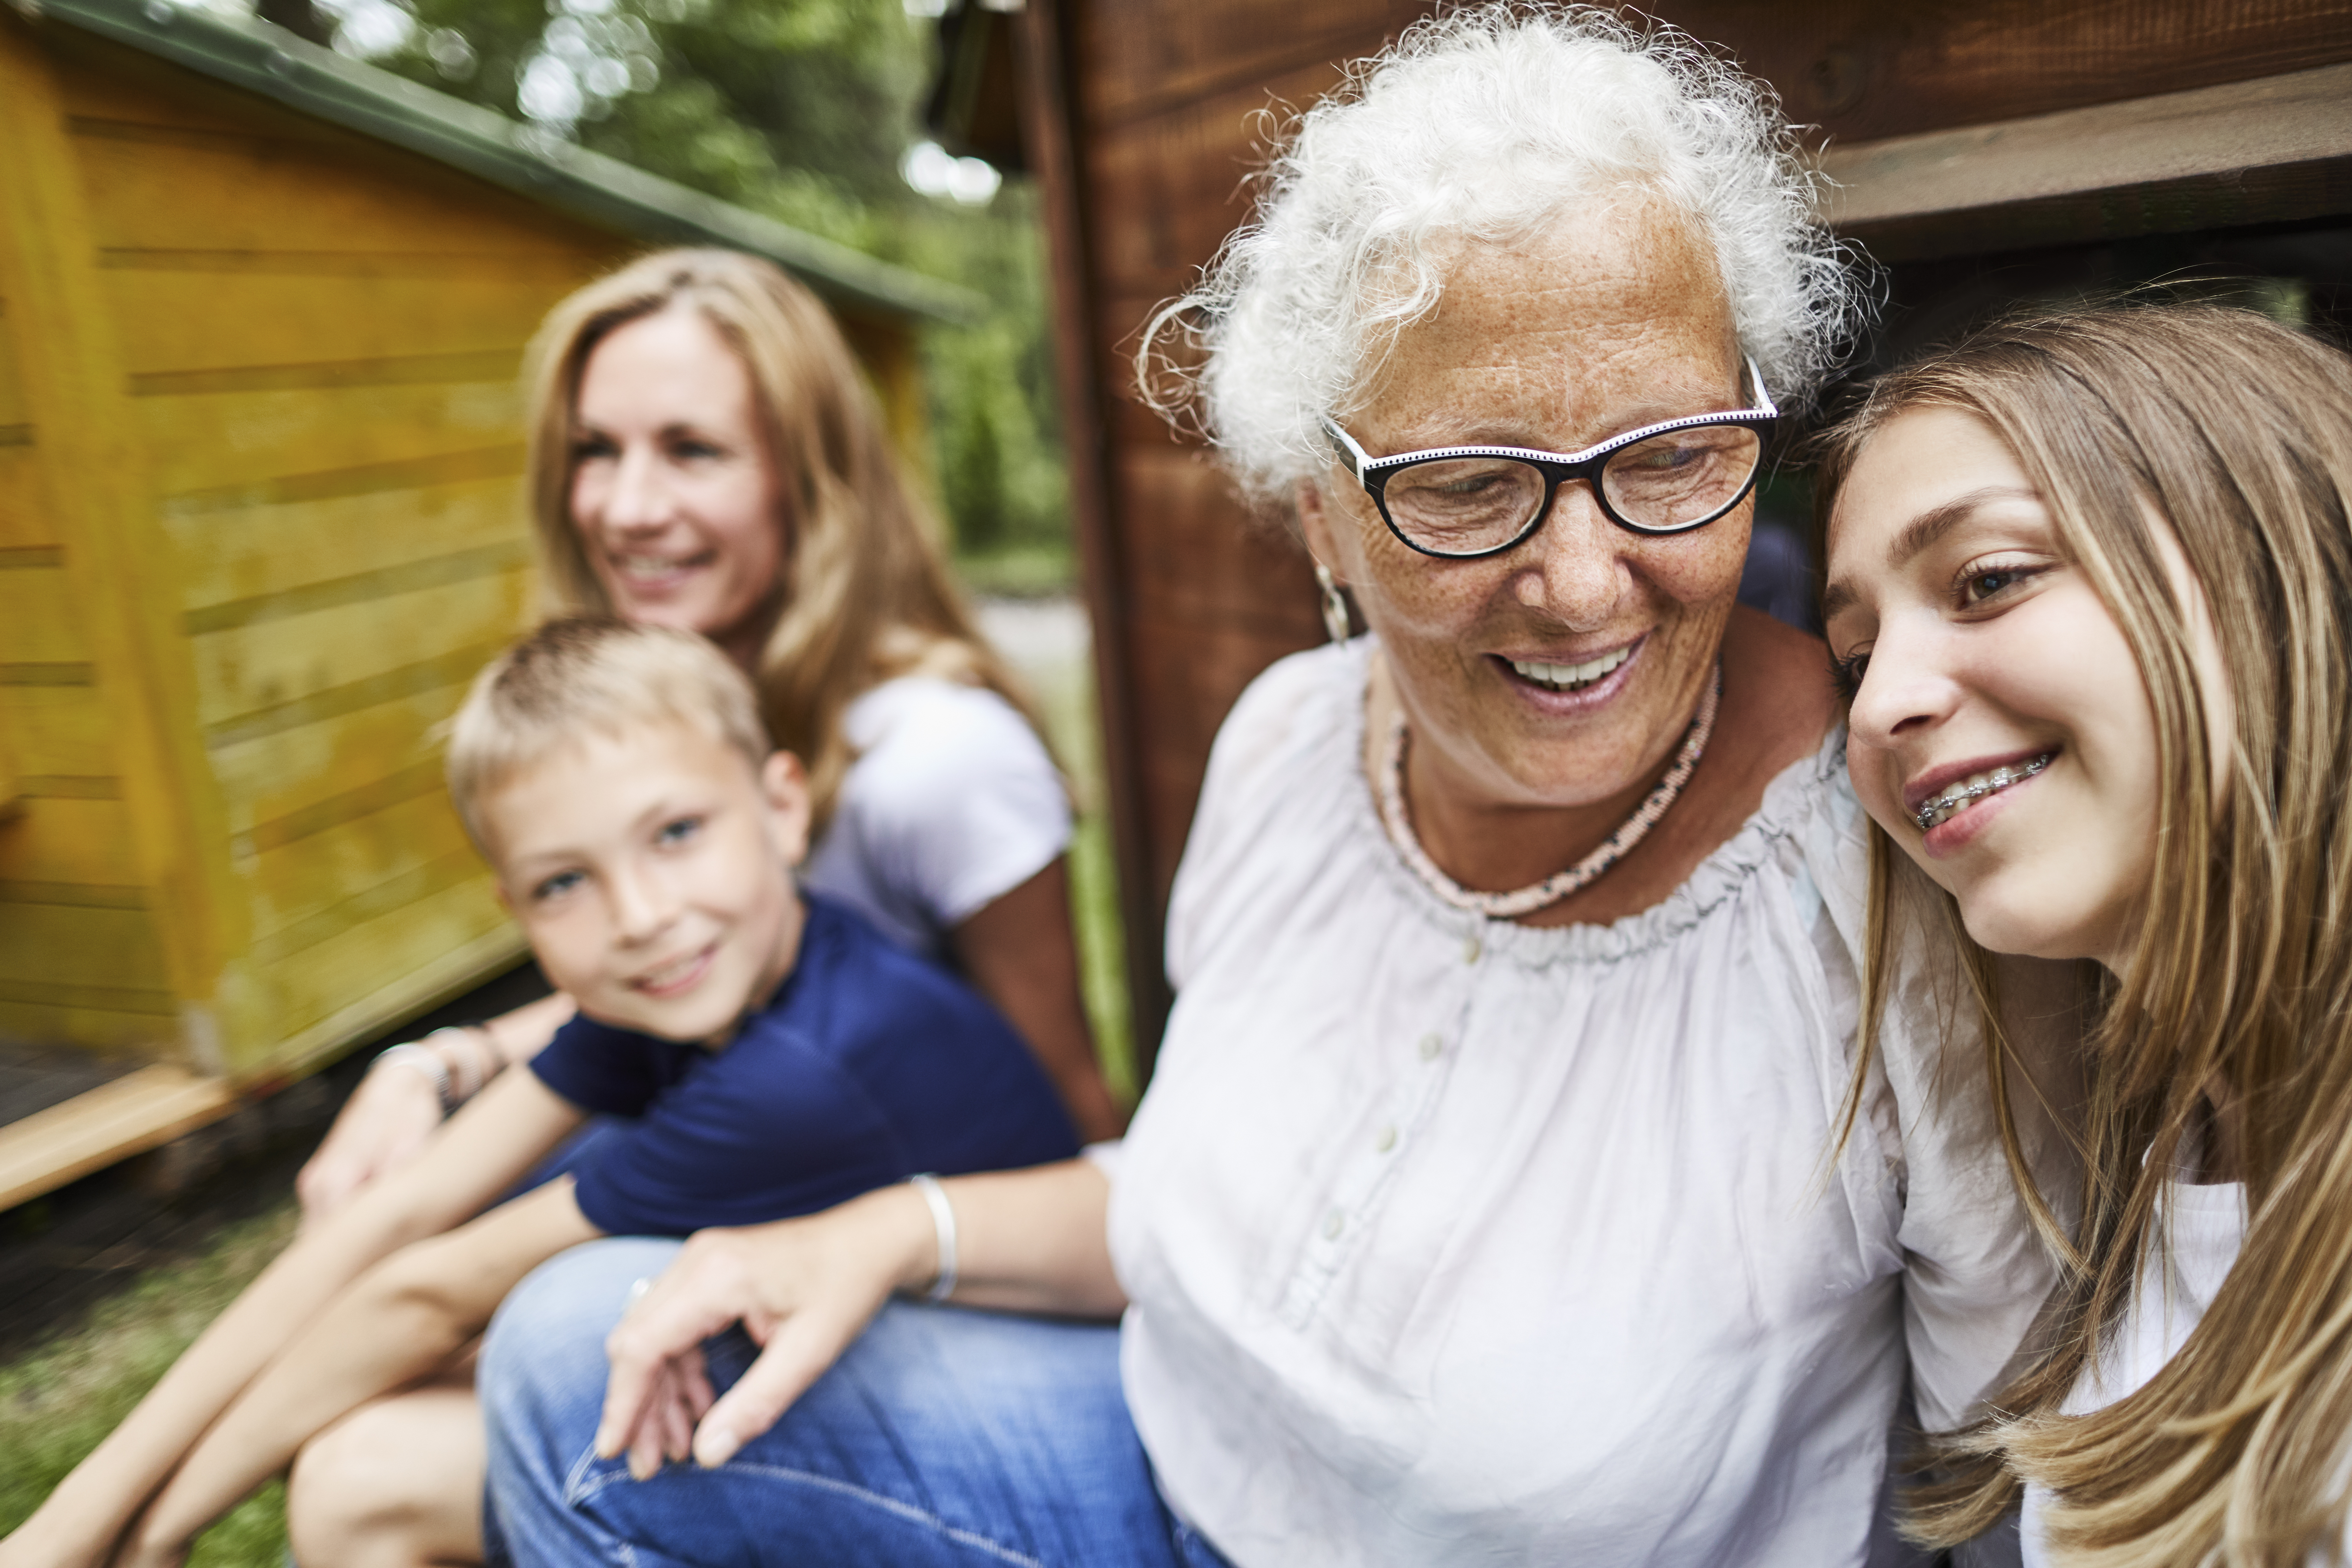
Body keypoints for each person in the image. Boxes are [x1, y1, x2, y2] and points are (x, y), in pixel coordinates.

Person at [476, 10, 2072, 1566]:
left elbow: (2004, 1482)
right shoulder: (1291, 741)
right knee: (574, 1343)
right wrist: (888, 1230)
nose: (1585, 585)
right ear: (1320, 516)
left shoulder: (1894, 866)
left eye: (1668, 457)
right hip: (1141, 1472)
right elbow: (1188, 1214)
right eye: (1466, 484)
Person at [0, 618, 1078, 1568]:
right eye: (567, 882)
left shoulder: (801, 1074)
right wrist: (73, 1518)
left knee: (360, 1468)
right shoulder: (698, 981)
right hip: (885, 1350)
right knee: (365, 1400)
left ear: (785, 809)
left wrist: (149, 1531)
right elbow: (396, 1217)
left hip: (1036, 1435)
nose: (641, 913)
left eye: (676, 834)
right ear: (513, 906)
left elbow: (422, 1293)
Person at [296, 248, 1124, 1224]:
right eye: (595, 450)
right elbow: (668, 980)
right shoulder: (654, 721)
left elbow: (1075, 1114)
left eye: (693, 451)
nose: (629, 509)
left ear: (808, 481)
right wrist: (437, 1064)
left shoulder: (937, 759)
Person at [1818, 301, 2352, 1566]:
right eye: (1854, 656)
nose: (1885, 701)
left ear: (2274, 576)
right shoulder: (2157, 1199)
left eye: (1989, 581)